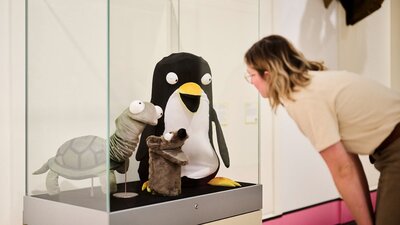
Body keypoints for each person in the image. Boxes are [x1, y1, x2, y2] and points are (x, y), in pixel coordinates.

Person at [244, 34, 400, 225]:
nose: (251, 82)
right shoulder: (313, 84)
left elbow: (343, 170)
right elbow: (349, 162)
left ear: (267, 75)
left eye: (251, 75)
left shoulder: (302, 97)